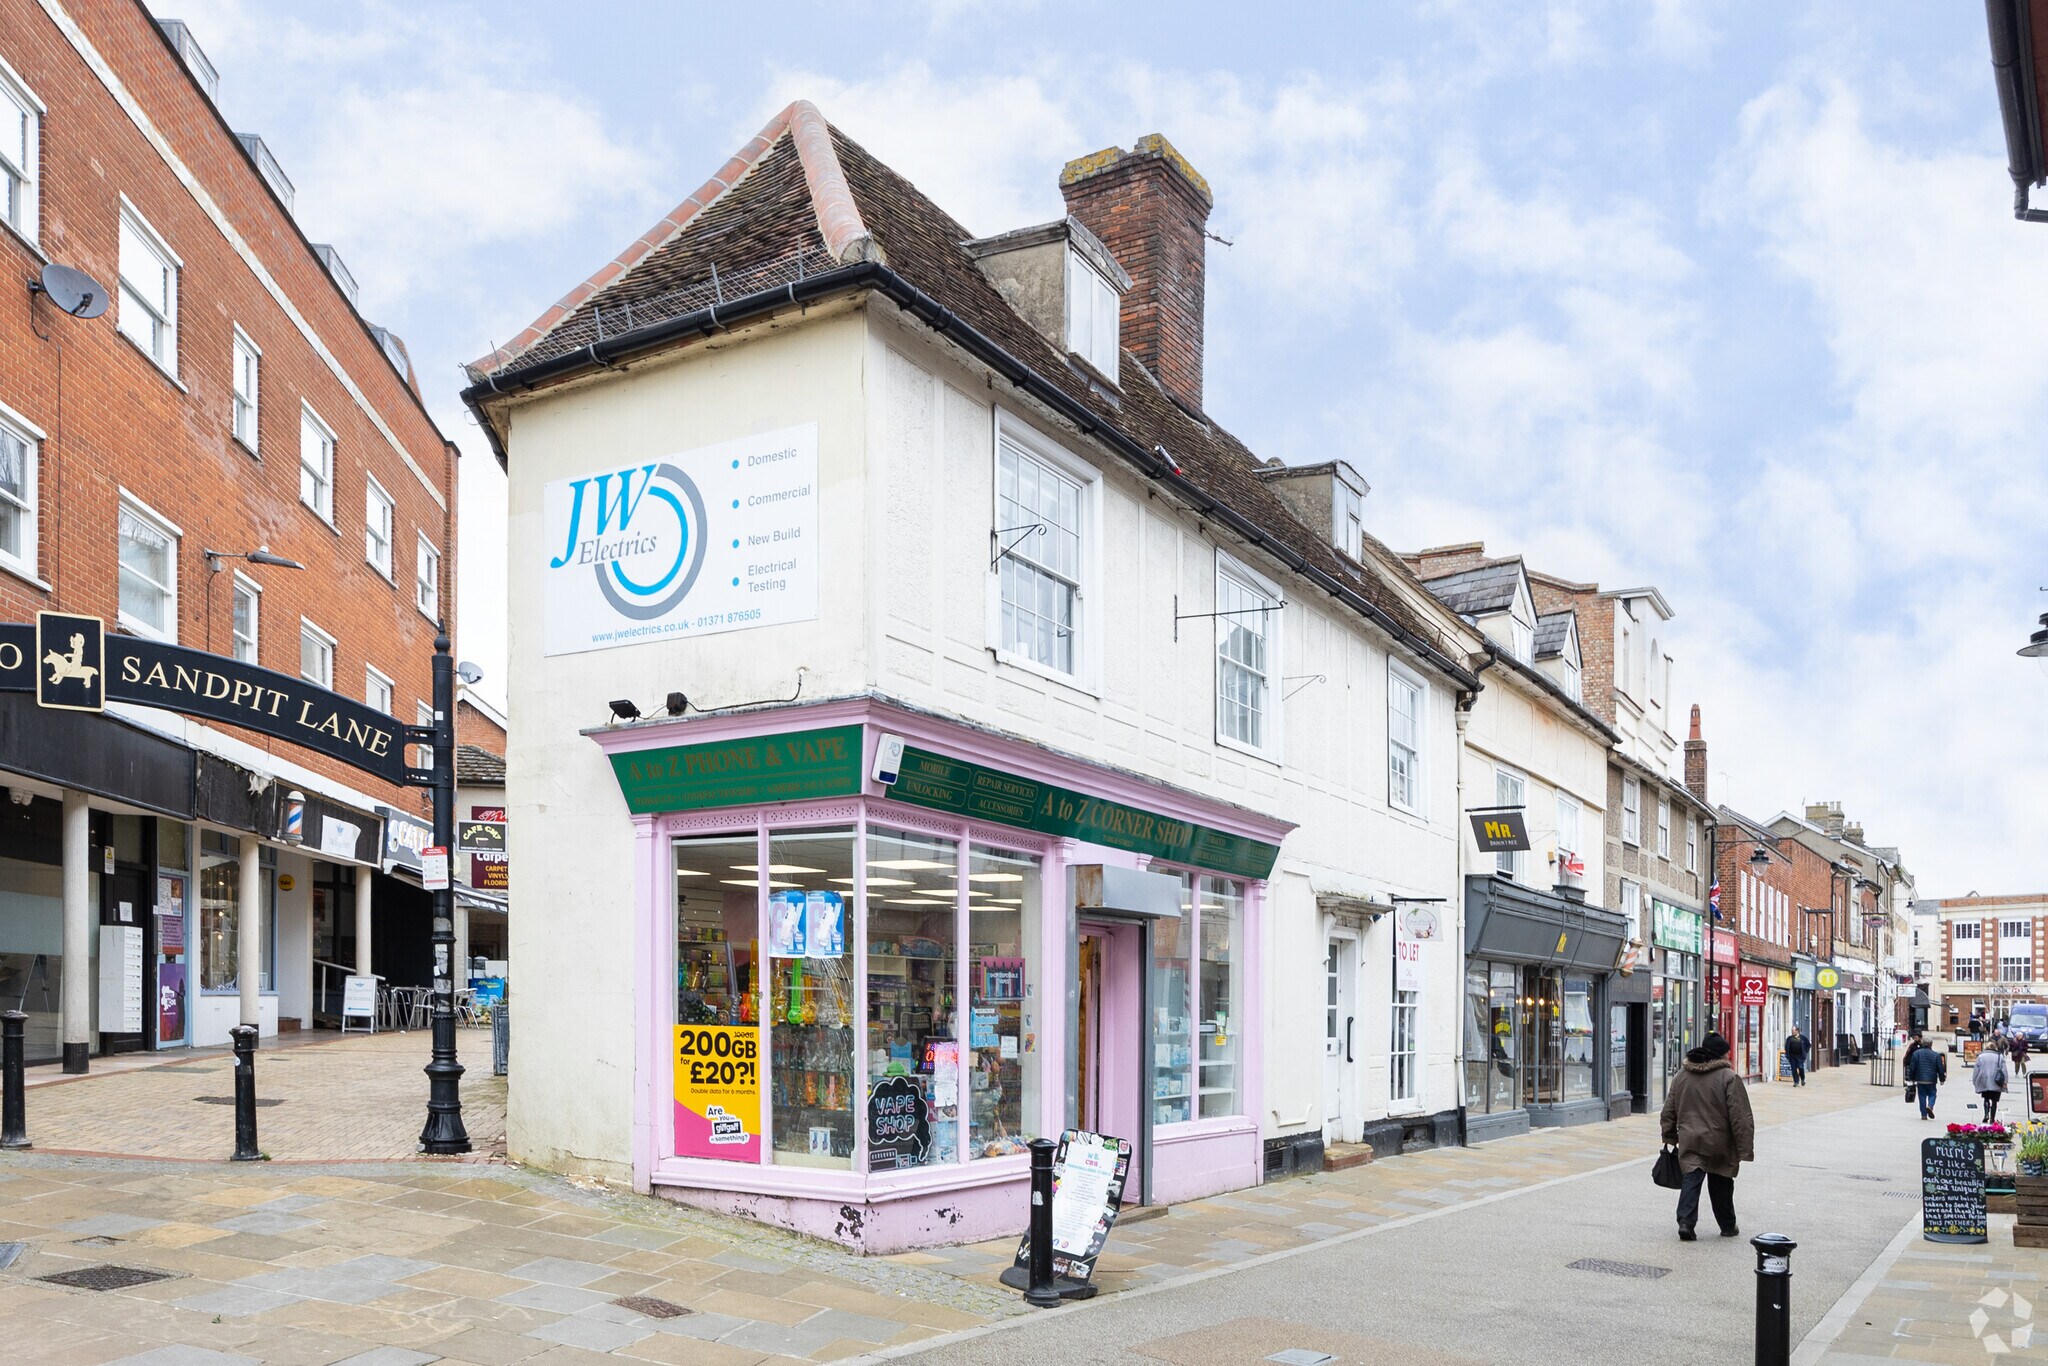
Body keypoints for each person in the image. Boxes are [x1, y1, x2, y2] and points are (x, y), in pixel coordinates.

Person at [1660, 1031, 1755, 1241]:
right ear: (1721, 1055)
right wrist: (1744, 1148)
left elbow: (1668, 1110)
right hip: (1719, 1143)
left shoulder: (1681, 1076)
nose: (1729, 1057)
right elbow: (1741, 1117)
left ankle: (1685, 1222)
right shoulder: (1728, 1077)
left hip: (1690, 1140)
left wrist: (1669, 1135)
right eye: (1727, 1054)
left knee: (1691, 1181)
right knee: (1721, 1184)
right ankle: (1728, 1225)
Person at [1906, 1034, 1948, 1120]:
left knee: (1922, 1096)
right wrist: (1942, 1079)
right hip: (1931, 1079)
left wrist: (1911, 1078)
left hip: (1920, 1079)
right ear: (1931, 1044)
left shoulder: (1916, 1054)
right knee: (1932, 1094)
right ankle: (1930, 1106)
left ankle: (1924, 1115)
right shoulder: (1936, 1055)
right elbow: (1940, 1068)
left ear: (1922, 1043)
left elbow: (1912, 1067)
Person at [1975, 1038, 2013, 1124]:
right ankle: (1992, 1118)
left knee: (1986, 1099)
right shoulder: (2000, 1056)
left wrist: (1975, 1081)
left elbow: (1976, 1070)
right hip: (1996, 1081)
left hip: (1984, 1081)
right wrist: (2005, 1082)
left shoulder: (1981, 1056)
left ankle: (1986, 1115)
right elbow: (2004, 1070)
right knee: (1994, 1101)